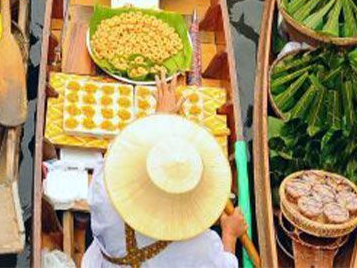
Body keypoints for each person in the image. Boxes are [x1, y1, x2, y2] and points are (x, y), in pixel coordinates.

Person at [80, 83, 247, 268]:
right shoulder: (200, 245)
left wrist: (160, 118)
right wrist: (229, 235)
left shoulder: (106, 189)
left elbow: (116, 152)